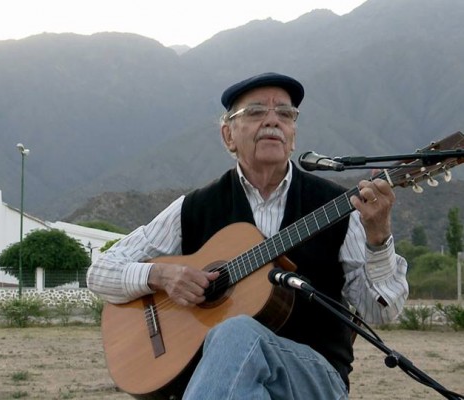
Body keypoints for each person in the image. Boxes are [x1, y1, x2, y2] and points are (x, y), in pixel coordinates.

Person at [87, 72, 408, 399]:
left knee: (237, 333)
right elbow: (100, 271)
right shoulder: (194, 207)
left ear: (293, 135)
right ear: (228, 135)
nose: (272, 121)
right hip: (222, 382)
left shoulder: (340, 206)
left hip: (312, 377)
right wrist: (160, 275)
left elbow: (382, 312)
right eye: (256, 112)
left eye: (285, 114)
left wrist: (379, 241)